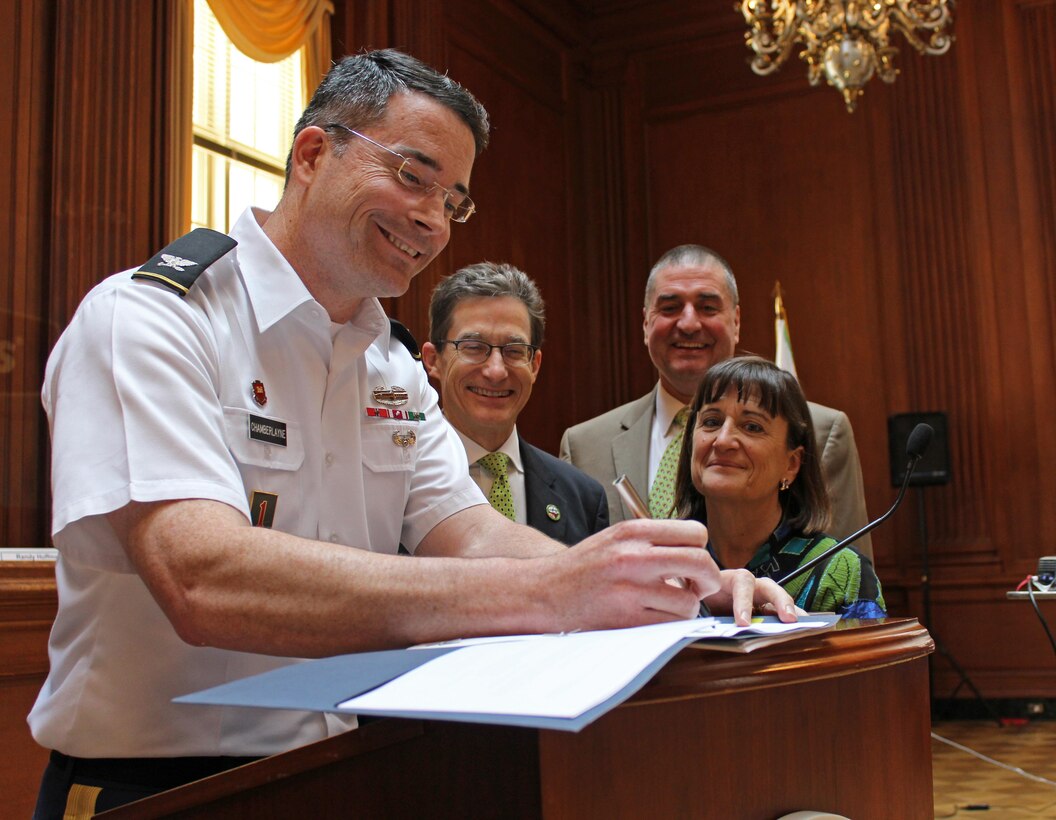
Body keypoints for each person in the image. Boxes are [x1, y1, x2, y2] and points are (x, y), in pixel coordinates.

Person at [29, 50, 797, 817]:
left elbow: (469, 533)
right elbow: (203, 578)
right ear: (312, 153)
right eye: (412, 176)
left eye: (454, 201)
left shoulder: (391, 365)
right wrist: (551, 590)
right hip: (158, 790)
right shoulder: (153, 319)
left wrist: (660, 589)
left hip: (349, 772)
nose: (433, 218)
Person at [559, 244, 872, 556]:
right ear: (645, 323)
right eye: (669, 308)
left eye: (708, 307)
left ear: (736, 321)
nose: (689, 323)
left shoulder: (820, 431)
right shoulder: (585, 447)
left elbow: (852, 585)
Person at [673, 355, 885, 616]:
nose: (723, 440)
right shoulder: (665, 561)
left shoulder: (840, 572)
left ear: (792, 464)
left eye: (751, 426)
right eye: (711, 422)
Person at [421, 262, 608, 544]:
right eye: (473, 347)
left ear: (534, 365)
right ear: (433, 360)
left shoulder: (584, 498)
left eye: (514, 351)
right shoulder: (401, 485)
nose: (496, 371)